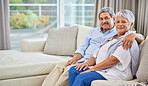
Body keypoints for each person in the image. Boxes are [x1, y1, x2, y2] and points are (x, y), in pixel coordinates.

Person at [69, 10, 139, 86]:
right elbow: (95, 55)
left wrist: (92, 69)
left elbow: (113, 60)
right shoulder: (112, 38)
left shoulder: (127, 40)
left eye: (124, 22)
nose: (120, 24)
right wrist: (86, 64)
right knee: (73, 70)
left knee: (82, 78)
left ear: (131, 24)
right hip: (102, 69)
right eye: (118, 22)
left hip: (115, 72)